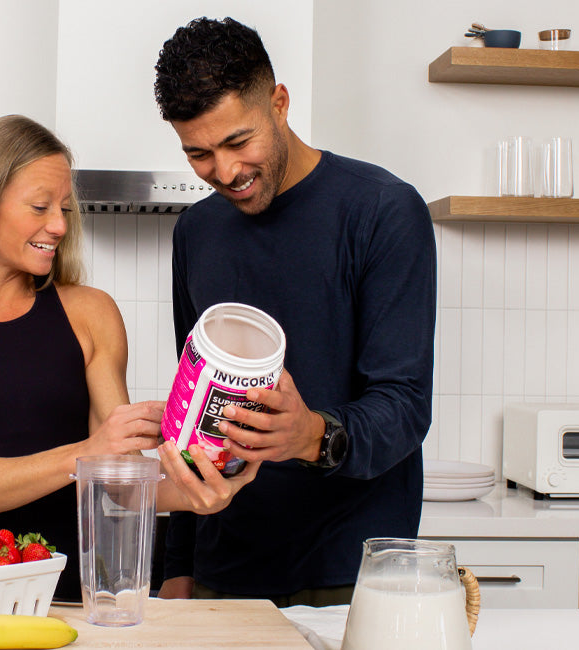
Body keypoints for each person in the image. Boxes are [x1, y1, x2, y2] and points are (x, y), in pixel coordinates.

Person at [0, 114, 259, 602]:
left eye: (65, 209)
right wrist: (85, 453)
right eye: (39, 207)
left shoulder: (90, 313)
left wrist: (219, 477)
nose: (57, 225)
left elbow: (121, 482)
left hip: (78, 599)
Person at [153, 17, 436, 607]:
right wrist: (175, 563)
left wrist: (311, 435)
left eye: (237, 142)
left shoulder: (383, 210)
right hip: (223, 568)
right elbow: (190, 404)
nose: (224, 172)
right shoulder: (196, 231)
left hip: (353, 571)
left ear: (279, 104)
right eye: (199, 153)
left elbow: (405, 406)